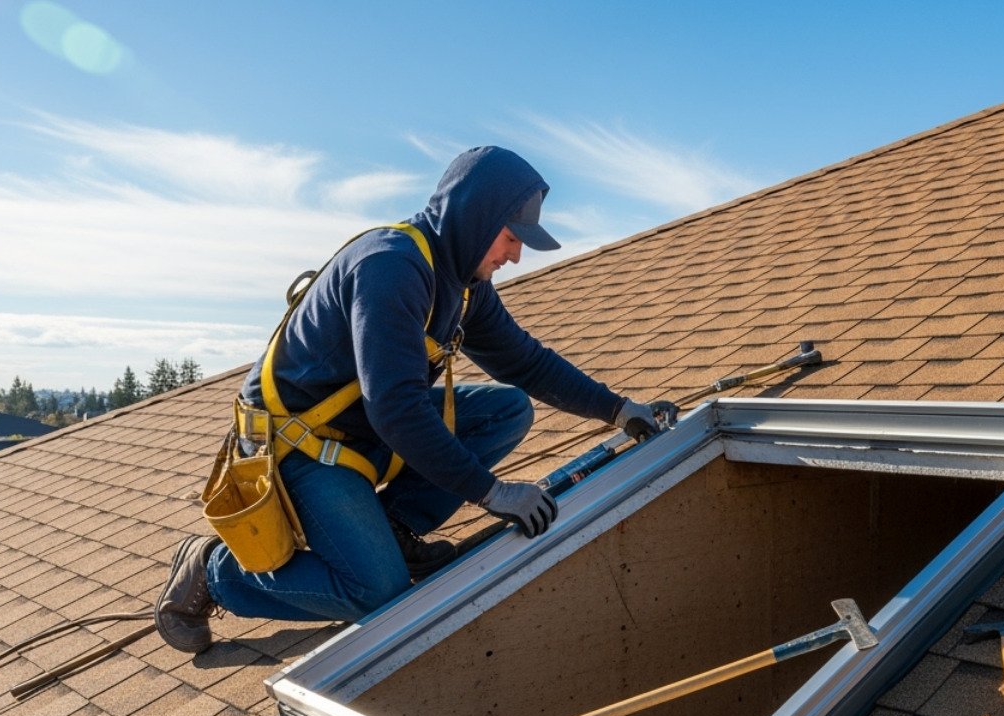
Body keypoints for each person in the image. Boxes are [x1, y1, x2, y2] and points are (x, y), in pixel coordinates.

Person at [155, 146, 674, 654]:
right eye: (511, 237)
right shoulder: (391, 267)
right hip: (300, 444)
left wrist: (618, 408)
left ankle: (393, 526)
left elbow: (526, 362)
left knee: (507, 408)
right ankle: (215, 572)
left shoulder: (464, 283)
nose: (515, 255)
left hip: (365, 432)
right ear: (474, 218)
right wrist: (491, 492)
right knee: (379, 593)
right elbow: (397, 407)